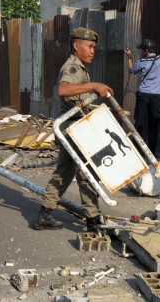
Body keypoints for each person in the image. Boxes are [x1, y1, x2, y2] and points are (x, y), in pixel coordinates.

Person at [33, 27, 113, 232]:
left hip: (73, 128)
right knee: (86, 173)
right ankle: (93, 220)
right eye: (90, 46)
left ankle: (45, 214)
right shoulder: (73, 67)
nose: (93, 51)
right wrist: (94, 85)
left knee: (64, 172)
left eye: (94, 47)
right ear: (76, 46)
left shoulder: (80, 67)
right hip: (74, 130)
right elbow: (63, 89)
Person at [125, 39, 160, 156]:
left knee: (139, 122)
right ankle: (152, 151)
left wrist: (129, 57)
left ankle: (137, 150)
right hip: (156, 97)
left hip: (143, 95)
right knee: (154, 123)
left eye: (142, 50)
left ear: (146, 50)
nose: (142, 52)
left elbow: (131, 70)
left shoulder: (141, 62)